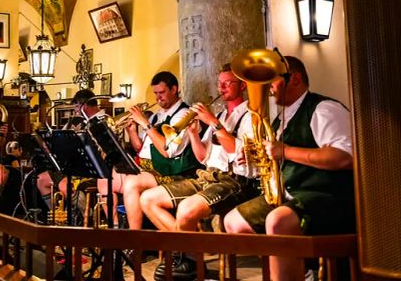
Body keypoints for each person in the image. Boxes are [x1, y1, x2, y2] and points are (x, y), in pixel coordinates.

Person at [223, 56, 355, 280]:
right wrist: (256, 158)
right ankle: (297, 270)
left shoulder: (324, 109)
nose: (268, 89)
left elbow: (344, 157)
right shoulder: (280, 119)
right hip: (288, 194)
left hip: (325, 196)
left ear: (294, 79)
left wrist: (285, 151)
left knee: (277, 221)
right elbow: (277, 155)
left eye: (272, 81)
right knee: (234, 222)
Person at [139, 63, 257, 280]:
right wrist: (193, 133)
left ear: (242, 85)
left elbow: (236, 151)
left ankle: (185, 259)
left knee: (186, 208)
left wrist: (213, 123)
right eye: (219, 83)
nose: (221, 88)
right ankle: (190, 256)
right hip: (208, 175)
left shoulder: (251, 115)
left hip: (235, 181)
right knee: (148, 199)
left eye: (227, 83)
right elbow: (202, 156)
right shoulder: (221, 115)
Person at [97, 71, 203, 231]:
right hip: (146, 168)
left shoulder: (183, 114)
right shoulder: (157, 116)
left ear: (174, 89)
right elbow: (140, 148)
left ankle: (136, 239)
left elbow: (168, 151)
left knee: (132, 183)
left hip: (170, 172)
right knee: (104, 179)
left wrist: (145, 124)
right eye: (155, 93)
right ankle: (116, 229)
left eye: (162, 93)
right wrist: (132, 131)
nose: (158, 98)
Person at [36, 89, 104, 215]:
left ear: (84, 106)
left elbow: (100, 150)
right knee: (41, 180)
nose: (76, 111)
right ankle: (58, 216)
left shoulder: (104, 121)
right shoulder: (81, 121)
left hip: (93, 170)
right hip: (74, 167)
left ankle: (88, 215)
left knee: (64, 186)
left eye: (77, 107)